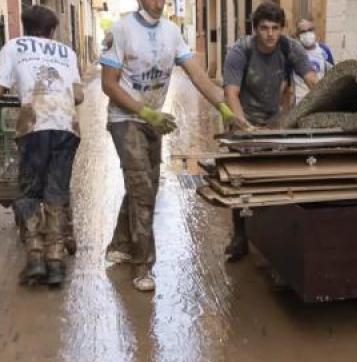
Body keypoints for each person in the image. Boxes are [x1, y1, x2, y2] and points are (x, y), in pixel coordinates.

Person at [100, 0, 248, 292]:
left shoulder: (172, 32)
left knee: (145, 185)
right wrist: (144, 112)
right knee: (142, 189)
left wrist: (224, 109)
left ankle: (120, 244)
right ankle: (143, 266)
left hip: (154, 120)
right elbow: (109, 84)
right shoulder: (122, 30)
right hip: (125, 118)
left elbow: (198, 76)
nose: (159, 2)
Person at [0, 5, 83, 287]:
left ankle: (36, 258)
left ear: (25, 27)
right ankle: (56, 260)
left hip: (34, 125)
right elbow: (78, 95)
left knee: (28, 191)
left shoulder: (13, 46)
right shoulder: (67, 52)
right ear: (52, 30)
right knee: (56, 191)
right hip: (67, 128)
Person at [222, 2, 317, 261]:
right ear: (255, 29)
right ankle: (240, 236)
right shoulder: (240, 51)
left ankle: (272, 237)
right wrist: (244, 128)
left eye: (276, 28)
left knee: (273, 176)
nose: (271, 34)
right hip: (243, 117)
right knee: (240, 179)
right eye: (264, 28)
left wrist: (326, 99)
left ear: (282, 29)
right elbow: (230, 93)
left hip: (274, 119)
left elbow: (311, 79)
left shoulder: (289, 47)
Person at [292, 18, 334, 105]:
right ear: (297, 35)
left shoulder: (324, 50)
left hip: (319, 101)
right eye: (303, 32)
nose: (307, 34)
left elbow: (333, 74)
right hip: (300, 103)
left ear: (314, 31)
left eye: (310, 30)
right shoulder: (293, 52)